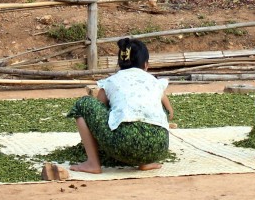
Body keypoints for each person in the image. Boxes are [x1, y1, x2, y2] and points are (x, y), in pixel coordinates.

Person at [67, 38, 174, 174]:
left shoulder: (111, 81)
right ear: (146, 65)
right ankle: (145, 163)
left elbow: (98, 110)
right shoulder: (155, 82)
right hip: (158, 147)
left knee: (83, 104)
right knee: (159, 106)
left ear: (120, 63)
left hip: (122, 144)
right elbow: (170, 113)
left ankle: (93, 163)